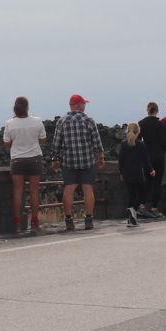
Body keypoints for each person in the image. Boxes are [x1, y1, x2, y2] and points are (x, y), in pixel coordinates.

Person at [50, 93, 106, 231]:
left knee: (69, 188)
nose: (85, 106)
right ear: (79, 105)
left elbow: (56, 143)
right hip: (87, 160)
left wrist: (55, 159)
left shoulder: (62, 121)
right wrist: (100, 157)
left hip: (69, 161)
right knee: (88, 188)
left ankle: (69, 220)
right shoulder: (89, 120)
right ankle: (89, 220)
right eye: (84, 103)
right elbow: (97, 142)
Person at [3, 98, 47, 235]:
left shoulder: (10, 123)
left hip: (17, 159)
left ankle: (17, 223)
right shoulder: (37, 121)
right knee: (34, 191)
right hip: (34, 158)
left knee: (17, 192)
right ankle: (34, 222)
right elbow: (43, 140)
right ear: (27, 107)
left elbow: (6, 144)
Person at [137, 102, 166, 218]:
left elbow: (138, 141)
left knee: (147, 182)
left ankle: (142, 206)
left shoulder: (141, 124)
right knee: (157, 182)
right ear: (157, 111)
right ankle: (154, 207)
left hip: (146, 158)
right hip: (159, 157)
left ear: (147, 110)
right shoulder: (160, 125)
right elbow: (164, 142)